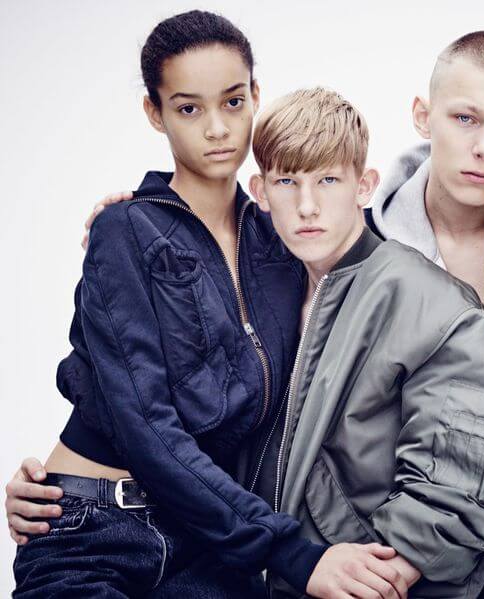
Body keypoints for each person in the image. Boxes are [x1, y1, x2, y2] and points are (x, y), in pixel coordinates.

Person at [7, 30, 484, 598]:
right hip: (396, 537)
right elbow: (212, 343)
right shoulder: (331, 243)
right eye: (465, 119)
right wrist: (141, 218)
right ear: (424, 117)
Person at [10, 11, 407, 598]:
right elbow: (145, 424)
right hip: (94, 530)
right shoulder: (125, 231)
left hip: (212, 540)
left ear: (255, 97)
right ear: (155, 113)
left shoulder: (286, 235)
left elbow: (416, 229)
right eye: (189, 108)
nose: (218, 128)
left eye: (233, 101)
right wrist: (295, 555)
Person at [243, 86, 484, 597]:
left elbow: (474, 461)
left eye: (328, 180)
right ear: (261, 191)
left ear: (365, 186)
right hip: (267, 571)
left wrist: (387, 574)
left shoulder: (428, 300)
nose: (307, 206)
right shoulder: (259, 284)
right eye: (288, 181)